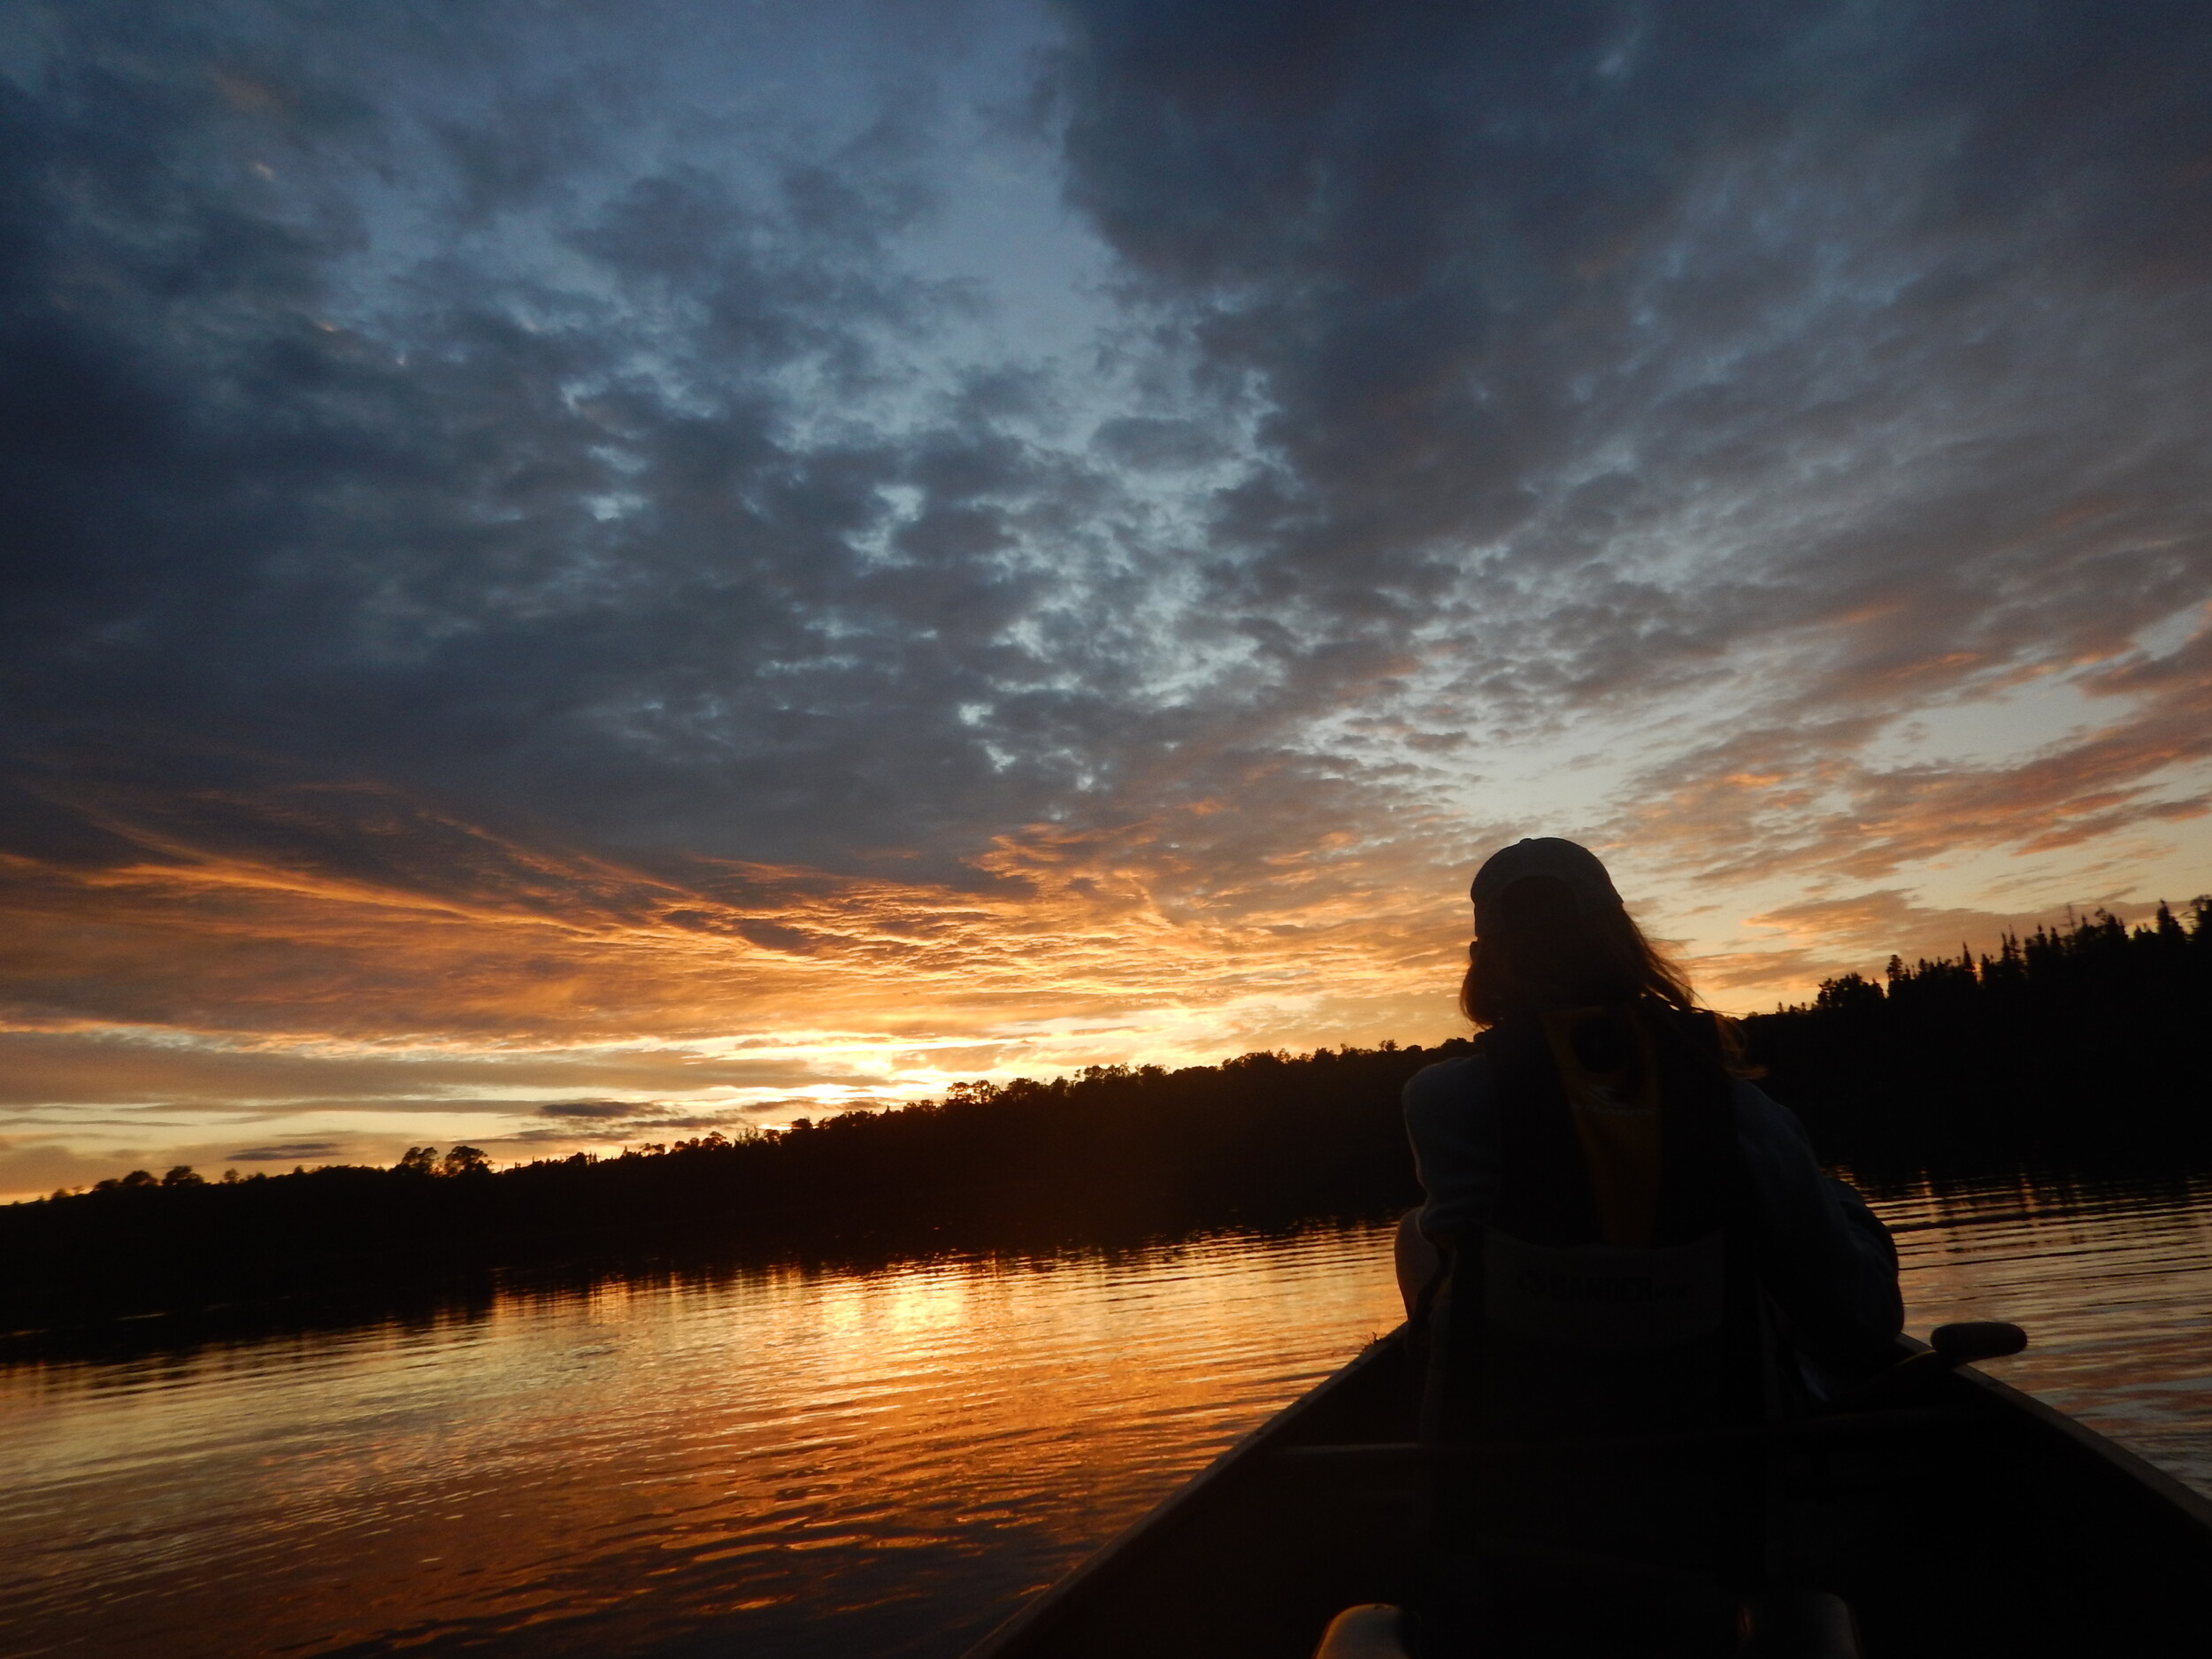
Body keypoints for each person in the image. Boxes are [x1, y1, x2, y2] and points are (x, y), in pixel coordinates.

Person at [1398, 836, 1902, 1418]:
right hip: (1720, 1447)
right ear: (1625, 941)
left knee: (1414, 1230)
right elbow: (1865, 1320)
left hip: (1522, 1449)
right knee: (1818, 1209)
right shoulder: (1746, 1113)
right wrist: (1838, 1201)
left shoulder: (1441, 1102)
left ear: (1484, 960)